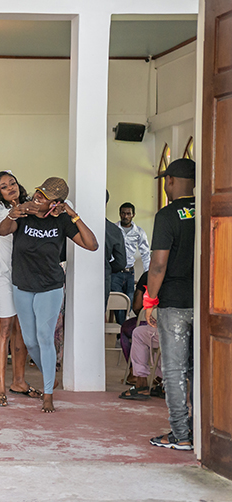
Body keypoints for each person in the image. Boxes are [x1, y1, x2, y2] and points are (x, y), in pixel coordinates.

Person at [0, 176, 98, 413]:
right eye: (38, 192)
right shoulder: (23, 214)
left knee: (44, 336)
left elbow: (92, 244)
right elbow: (3, 231)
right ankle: (48, 373)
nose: (37, 197)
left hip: (50, 287)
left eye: (44, 197)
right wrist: (15, 212)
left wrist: (73, 215)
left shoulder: (62, 221)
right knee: (30, 340)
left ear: (55, 204)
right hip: (22, 285)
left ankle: (48, 395)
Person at [145, 158, 196, 451]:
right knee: (198, 369)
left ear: (173, 181)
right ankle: (201, 429)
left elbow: (158, 264)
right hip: (205, 302)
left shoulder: (167, 216)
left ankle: (181, 434)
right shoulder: (211, 211)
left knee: (175, 370)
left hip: (174, 302)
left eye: (167, 179)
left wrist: (150, 301)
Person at [0, 171, 37, 401]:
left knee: (22, 330)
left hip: (25, 273)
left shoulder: (30, 204)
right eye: (4, 187)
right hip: (5, 274)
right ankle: (0, 387)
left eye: (13, 183)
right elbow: (6, 225)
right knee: (4, 329)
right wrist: (18, 211)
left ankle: (19, 382)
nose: (11, 188)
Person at [118, 271, 163, 400]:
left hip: (156, 323)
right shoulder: (195, 272)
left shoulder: (151, 275)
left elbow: (137, 306)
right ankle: (162, 381)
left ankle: (138, 378)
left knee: (134, 332)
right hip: (191, 327)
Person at [112, 202, 151, 324]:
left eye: (128, 213)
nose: (125, 216)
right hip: (115, 272)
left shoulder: (138, 232)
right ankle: (121, 328)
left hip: (130, 272)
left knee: (130, 300)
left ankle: (125, 327)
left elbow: (145, 253)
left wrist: (147, 274)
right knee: (118, 302)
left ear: (133, 215)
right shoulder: (113, 229)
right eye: (123, 213)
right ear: (120, 214)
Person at [105, 191, 126, 307]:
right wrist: (106, 268)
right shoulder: (114, 230)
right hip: (103, 278)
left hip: (77, 277)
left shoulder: (75, 226)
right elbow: (121, 262)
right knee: (98, 315)